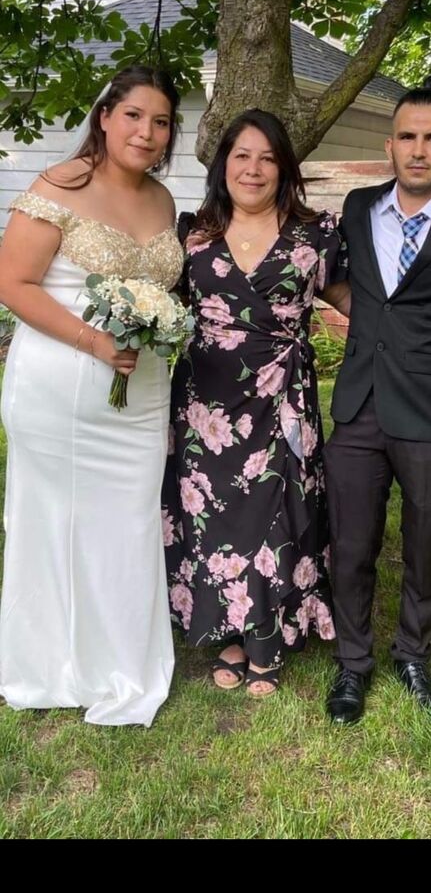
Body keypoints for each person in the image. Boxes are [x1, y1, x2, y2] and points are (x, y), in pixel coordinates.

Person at [0, 65, 184, 726]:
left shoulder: (163, 200)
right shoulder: (59, 186)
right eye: (133, 115)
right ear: (104, 117)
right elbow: (12, 283)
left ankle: (121, 662)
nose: (146, 131)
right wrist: (94, 342)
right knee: (54, 521)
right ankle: (48, 662)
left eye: (161, 122)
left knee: (127, 523)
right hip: (61, 383)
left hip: (143, 391)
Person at [323, 77, 431, 725]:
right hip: (359, 404)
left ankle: (413, 657)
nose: (418, 149)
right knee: (350, 543)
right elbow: (343, 281)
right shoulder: (358, 207)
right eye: (407, 136)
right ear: (389, 144)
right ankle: (352, 662)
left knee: (426, 541)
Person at [161, 108, 350, 696]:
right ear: (223, 165)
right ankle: (231, 630)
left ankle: (268, 636)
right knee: (215, 512)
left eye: (268, 158)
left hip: (281, 397)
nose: (254, 168)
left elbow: (359, 302)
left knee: (277, 507)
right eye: (242, 155)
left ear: (285, 168)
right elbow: (161, 304)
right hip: (205, 403)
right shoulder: (193, 234)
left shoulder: (316, 235)